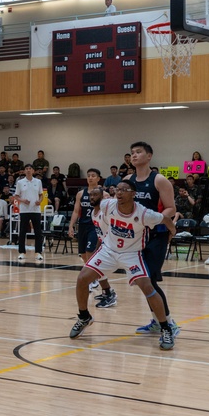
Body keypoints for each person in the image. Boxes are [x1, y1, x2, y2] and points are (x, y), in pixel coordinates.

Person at [69, 183, 177, 350]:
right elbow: (99, 214)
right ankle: (84, 317)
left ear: (133, 193)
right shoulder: (107, 205)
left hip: (132, 254)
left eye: (124, 190)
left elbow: (165, 218)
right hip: (108, 250)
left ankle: (166, 328)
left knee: (148, 287)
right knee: (82, 278)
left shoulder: (144, 214)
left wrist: (172, 232)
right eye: (117, 189)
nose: (119, 193)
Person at [123, 141, 179, 337]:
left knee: (150, 280)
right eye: (132, 153)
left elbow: (171, 208)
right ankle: (157, 321)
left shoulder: (159, 180)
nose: (134, 155)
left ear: (149, 156)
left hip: (157, 235)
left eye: (138, 152)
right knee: (142, 281)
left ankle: (168, 323)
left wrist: (154, 218)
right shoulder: (127, 180)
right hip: (135, 237)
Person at [69, 168, 117, 307]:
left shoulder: (105, 195)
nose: (90, 178)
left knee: (92, 257)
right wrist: (71, 226)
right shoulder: (81, 193)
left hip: (97, 228)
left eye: (93, 176)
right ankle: (103, 286)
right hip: (84, 226)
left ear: (98, 178)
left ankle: (100, 284)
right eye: (88, 176)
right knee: (84, 256)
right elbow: (76, 211)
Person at [13, 164, 44, 262]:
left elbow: (41, 195)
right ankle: (22, 252)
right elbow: (16, 196)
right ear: (24, 171)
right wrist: (22, 200)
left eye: (30, 169)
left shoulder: (38, 181)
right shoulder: (20, 182)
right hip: (24, 210)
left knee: (38, 232)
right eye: (26, 169)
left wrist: (40, 201)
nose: (28, 170)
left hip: (36, 210)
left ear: (33, 171)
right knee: (22, 231)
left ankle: (38, 252)